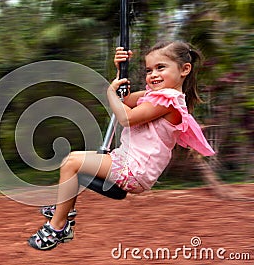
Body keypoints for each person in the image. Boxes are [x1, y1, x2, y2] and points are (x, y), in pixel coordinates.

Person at [27, 41, 215, 250]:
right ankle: (64, 210)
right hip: (125, 161)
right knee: (73, 163)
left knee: (71, 162)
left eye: (161, 68)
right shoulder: (151, 96)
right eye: (149, 70)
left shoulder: (168, 101)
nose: (153, 74)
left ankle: (59, 226)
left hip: (134, 170)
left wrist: (110, 93)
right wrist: (119, 73)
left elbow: (126, 117)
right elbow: (123, 100)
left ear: (184, 69)